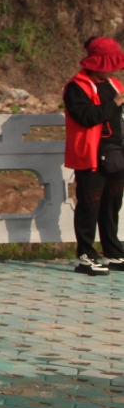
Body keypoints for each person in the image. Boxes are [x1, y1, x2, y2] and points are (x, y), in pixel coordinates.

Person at [63, 36, 124, 275]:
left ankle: (113, 251)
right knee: (89, 206)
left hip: (116, 153)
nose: (114, 70)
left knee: (112, 204)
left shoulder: (114, 84)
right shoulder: (76, 87)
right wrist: (114, 104)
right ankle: (86, 255)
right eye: (109, 65)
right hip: (91, 155)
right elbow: (86, 117)